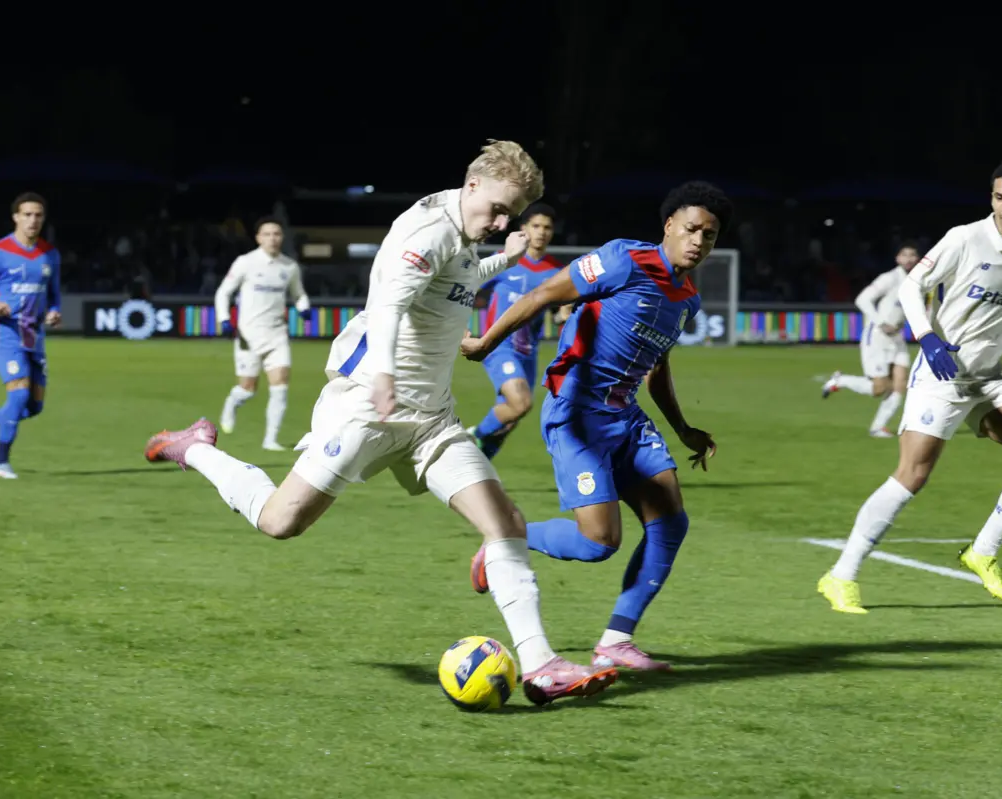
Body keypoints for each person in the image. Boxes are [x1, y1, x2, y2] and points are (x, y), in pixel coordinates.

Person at [145, 141, 618, 705]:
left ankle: (541, 665)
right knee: (280, 521)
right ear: (471, 184)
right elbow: (390, 304)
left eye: (509, 216)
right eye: (497, 210)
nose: (500, 223)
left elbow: (456, 280)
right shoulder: (427, 230)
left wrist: (505, 259)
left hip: (431, 419)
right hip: (370, 408)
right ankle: (195, 447)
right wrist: (386, 375)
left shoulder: (465, 231)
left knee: (505, 522)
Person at [461, 181, 732, 671]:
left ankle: (616, 641)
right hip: (576, 414)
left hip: (625, 417)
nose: (698, 241)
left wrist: (682, 428)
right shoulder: (624, 259)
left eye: (708, 236)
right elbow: (545, 293)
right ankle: (505, 538)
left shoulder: (687, 299)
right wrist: (484, 342)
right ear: (669, 225)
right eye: (691, 229)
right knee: (598, 544)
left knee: (671, 522)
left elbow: (657, 367)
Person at [818, 161, 1002, 613]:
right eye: (1000, 197)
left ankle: (982, 552)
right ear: (992, 199)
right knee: (912, 475)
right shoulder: (964, 238)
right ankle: (841, 575)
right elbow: (912, 288)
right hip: (941, 375)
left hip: (988, 378)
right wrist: (927, 338)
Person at [0, 192, 62, 479]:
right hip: (6, 333)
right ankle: (0, 463)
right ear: (16, 217)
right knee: (18, 396)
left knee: (33, 406)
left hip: (34, 336)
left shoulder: (50, 255)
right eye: (27, 214)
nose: (33, 220)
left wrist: (54, 312)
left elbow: (54, 295)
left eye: (38, 215)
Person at [467, 202, 563, 459]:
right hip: (499, 346)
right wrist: (461, 325)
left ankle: (478, 463)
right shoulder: (504, 261)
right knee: (520, 402)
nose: (541, 232)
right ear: (524, 229)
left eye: (547, 227)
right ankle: (471, 437)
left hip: (528, 351)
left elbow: (560, 313)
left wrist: (563, 314)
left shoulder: (556, 272)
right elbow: (467, 288)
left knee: (511, 417)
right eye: (536, 226)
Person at [216, 217, 313, 450]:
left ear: (282, 237)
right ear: (258, 238)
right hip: (249, 335)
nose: (272, 238)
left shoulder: (289, 267)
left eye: (277, 234)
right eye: (267, 234)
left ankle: (271, 440)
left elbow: (298, 293)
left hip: (277, 335)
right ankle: (232, 403)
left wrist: (303, 307)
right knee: (247, 390)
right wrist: (224, 319)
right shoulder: (245, 262)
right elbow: (223, 292)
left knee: (280, 386)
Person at [821, 243, 920, 437]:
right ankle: (840, 380)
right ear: (897, 258)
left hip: (896, 338)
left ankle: (878, 427)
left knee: (900, 384)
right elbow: (862, 299)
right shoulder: (889, 278)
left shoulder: (917, 280)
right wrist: (881, 322)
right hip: (877, 337)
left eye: (912, 255)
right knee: (879, 389)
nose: (909, 259)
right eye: (905, 255)